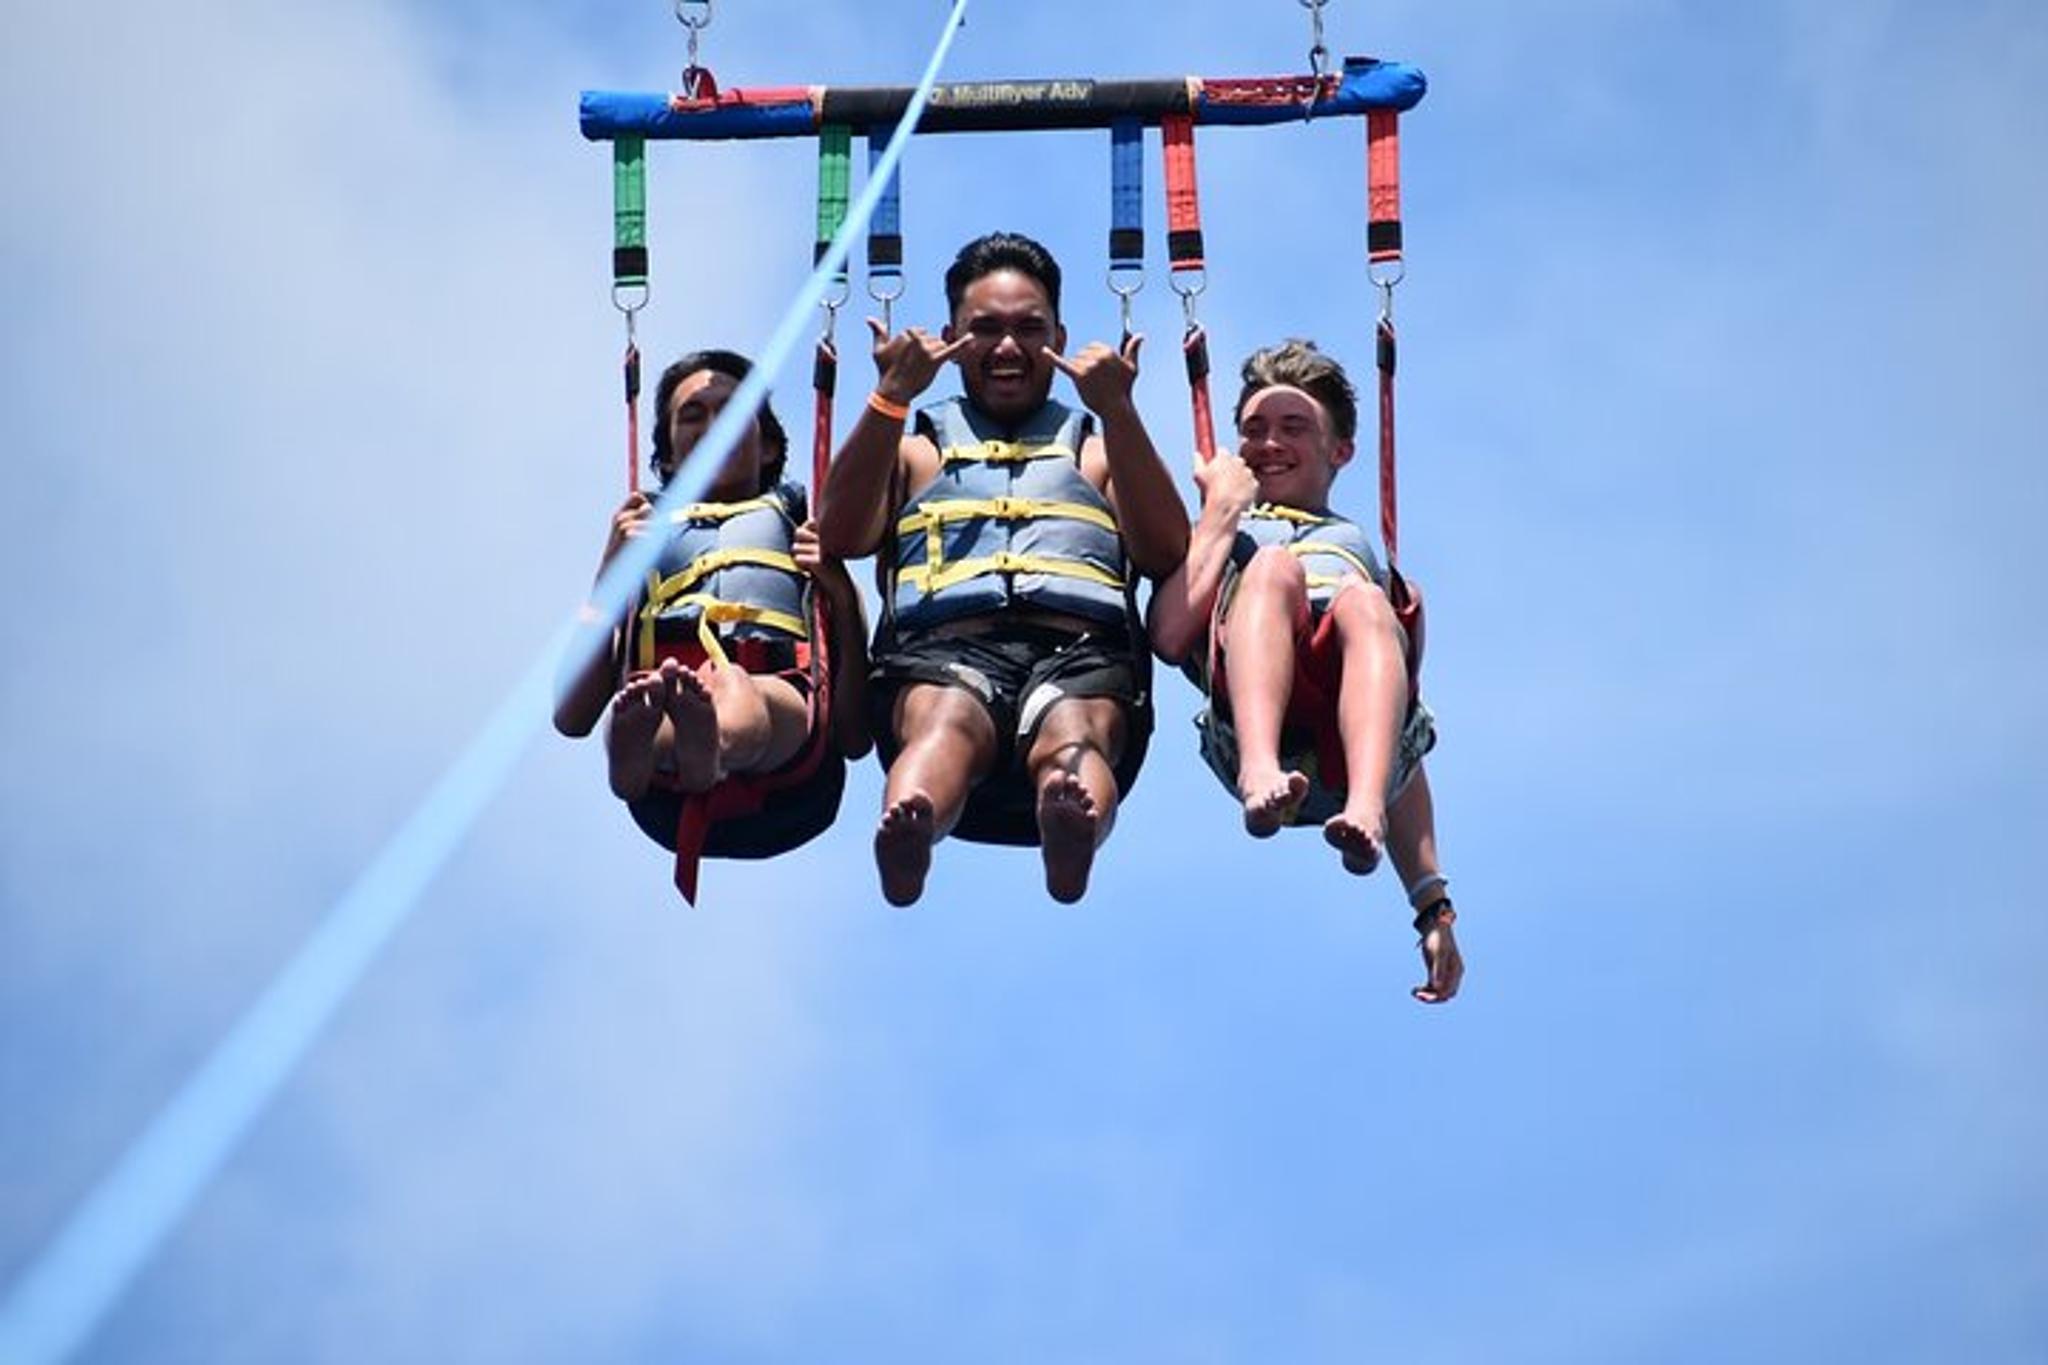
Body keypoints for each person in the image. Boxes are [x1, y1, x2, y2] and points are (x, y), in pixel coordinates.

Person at [818, 231, 1190, 906]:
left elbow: (1166, 551)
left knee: (1074, 733)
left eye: (1030, 329)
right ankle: (912, 823)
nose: (1009, 348)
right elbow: (841, 533)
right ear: (950, 337)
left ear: (1060, 337)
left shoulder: (1098, 451)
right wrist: (890, 395)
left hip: (1080, 654)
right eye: (984, 329)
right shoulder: (913, 451)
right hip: (940, 654)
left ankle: (1069, 829)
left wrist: (1119, 408)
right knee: (947, 719)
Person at [1148, 339, 1462, 1003]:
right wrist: (1222, 513)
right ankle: (1260, 771)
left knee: (1368, 603)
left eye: (1294, 427)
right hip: (1261, 719)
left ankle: (1363, 813)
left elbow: (1408, 738)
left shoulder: (1363, 554)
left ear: (1340, 450)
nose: (1269, 444)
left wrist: (1432, 904)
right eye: (1254, 430)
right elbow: (1171, 635)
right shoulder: (1225, 531)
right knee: (1272, 567)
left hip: (1353, 751)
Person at [554, 349, 870, 898]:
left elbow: (854, 735)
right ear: (668, 457)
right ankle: (641, 759)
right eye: (692, 414)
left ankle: (708, 748)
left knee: (733, 690)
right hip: (669, 719)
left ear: (768, 443)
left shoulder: (799, 528)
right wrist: (610, 573)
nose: (711, 424)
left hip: (782, 717)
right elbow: (570, 715)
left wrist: (837, 591)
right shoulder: (645, 537)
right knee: (649, 705)